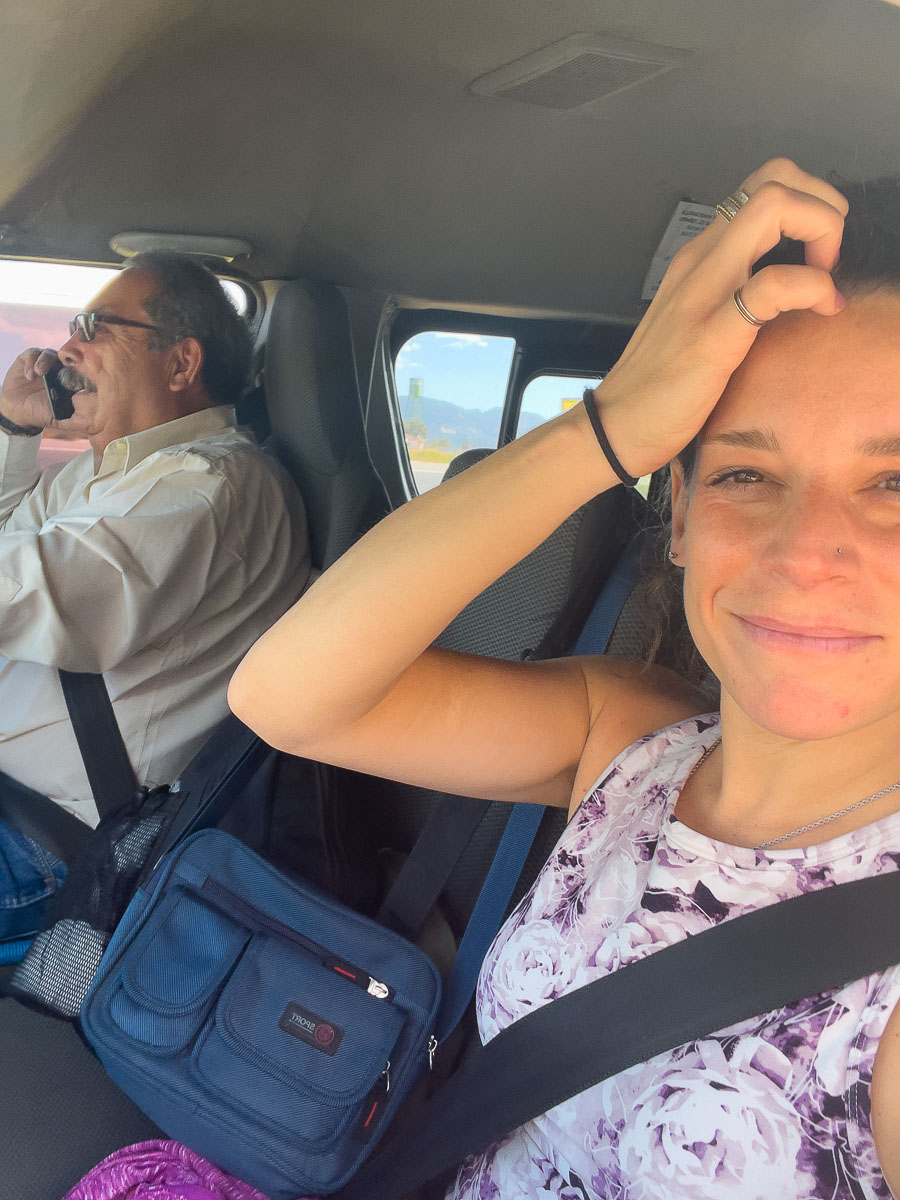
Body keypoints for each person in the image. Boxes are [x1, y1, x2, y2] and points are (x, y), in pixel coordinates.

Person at [228, 158, 900, 1199]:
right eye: (742, 473)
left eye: (895, 481)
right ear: (675, 516)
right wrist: (608, 428)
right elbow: (288, 697)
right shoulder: (628, 736)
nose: (807, 551)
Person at [0, 252, 310, 942]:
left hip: (48, 841)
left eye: (96, 326)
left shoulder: (209, 485)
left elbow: (35, 592)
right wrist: (17, 430)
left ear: (180, 365)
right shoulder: (103, 475)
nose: (66, 346)